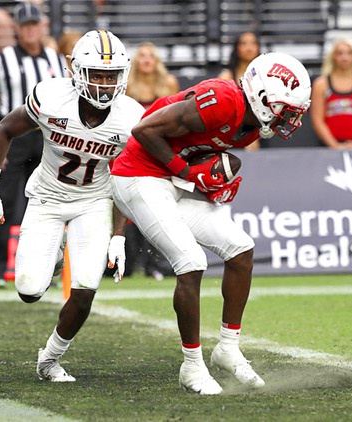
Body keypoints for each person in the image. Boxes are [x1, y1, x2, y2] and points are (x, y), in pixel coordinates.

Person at [110, 52, 311, 394]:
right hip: (138, 174)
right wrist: (189, 173)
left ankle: (228, 348)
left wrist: (207, 179)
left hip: (173, 179)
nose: (289, 120)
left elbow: (192, 148)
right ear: (262, 98)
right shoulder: (222, 101)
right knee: (191, 262)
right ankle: (192, 366)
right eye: (286, 110)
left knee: (241, 249)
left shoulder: (250, 128)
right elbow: (143, 130)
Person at [0, 30, 145, 381]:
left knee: (85, 287)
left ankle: (50, 358)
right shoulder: (52, 98)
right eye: (97, 75)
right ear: (77, 72)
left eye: (111, 76)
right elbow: (4, 130)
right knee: (28, 291)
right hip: (47, 197)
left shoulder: (131, 118)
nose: (104, 85)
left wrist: (118, 235)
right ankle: (54, 255)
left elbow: (125, 178)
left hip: (94, 201)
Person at [0, 1, 67, 290]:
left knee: (46, 204)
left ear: (41, 26)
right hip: (13, 136)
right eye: (25, 25)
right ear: (17, 29)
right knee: (1, 201)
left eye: (34, 24)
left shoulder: (54, 58)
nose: (30, 30)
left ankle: (44, 269)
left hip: (47, 137)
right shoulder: (2, 58)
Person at [124, 42, 179, 280]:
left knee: (160, 206)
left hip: (160, 152)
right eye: (142, 56)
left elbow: (179, 117)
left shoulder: (169, 84)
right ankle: (128, 261)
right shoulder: (127, 86)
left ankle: (156, 263)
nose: (146, 60)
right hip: (133, 150)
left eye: (150, 56)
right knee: (130, 208)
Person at [310, 37, 352, 149]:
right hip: (328, 148)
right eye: (339, 53)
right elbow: (318, 120)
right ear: (333, 57)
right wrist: (335, 146)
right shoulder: (321, 84)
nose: (344, 58)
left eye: (349, 53)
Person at [218, 31, 261, 151]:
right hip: (231, 134)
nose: (249, 48)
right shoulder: (226, 77)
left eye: (253, 43)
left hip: (261, 133)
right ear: (236, 48)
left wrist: (254, 136)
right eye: (244, 43)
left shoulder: (266, 77)